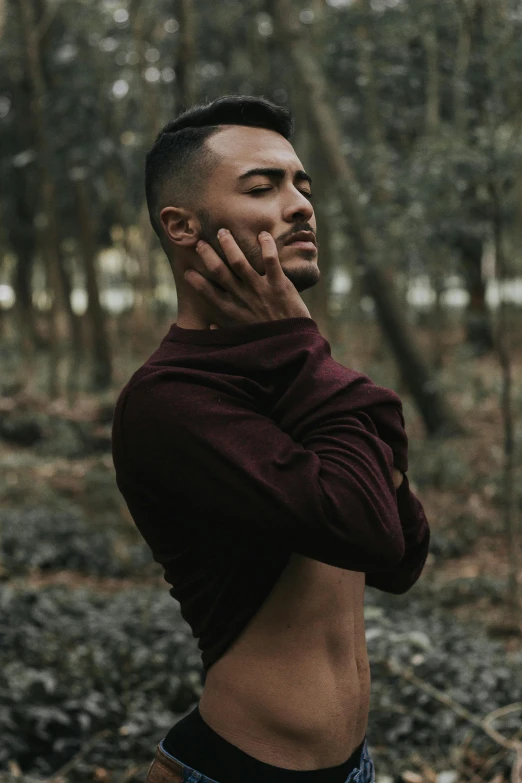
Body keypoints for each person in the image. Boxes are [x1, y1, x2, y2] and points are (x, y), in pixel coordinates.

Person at [111, 94, 430, 783]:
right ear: (182, 226)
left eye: (302, 185)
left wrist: (301, 355)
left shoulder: (293, 368)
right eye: (263, 186)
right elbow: (367, 527)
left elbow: (402, 559)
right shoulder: (171, 401)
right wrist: (303, 350)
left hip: (353, 767)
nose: (300, 204)